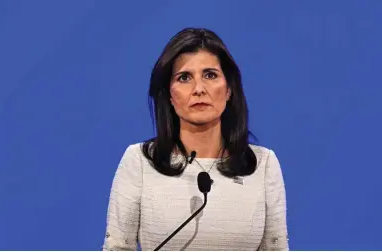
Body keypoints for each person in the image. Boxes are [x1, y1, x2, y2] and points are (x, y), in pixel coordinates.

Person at [102, 27, 289, 251]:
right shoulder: (140, 162)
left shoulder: (263, 164)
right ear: (169, 95)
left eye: (210, 75)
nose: (199, 89)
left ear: (229, 89)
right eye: (184, 78)